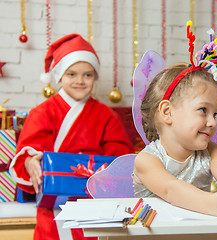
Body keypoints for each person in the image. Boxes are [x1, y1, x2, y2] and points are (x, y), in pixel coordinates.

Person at [9, 33, 134, 240]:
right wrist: (31, 161)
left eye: (88, 75)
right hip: (53, 205)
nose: (80, 81)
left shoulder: (107, 116)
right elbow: (29, 153)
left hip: (95, 203)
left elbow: (120, 157)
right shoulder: (42, 113)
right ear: (59, 76)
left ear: (95, 77)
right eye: (71, 74)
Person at [132, 62, 217, 219]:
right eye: (203, 110)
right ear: (167, 112)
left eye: (215, 113)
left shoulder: (212, 153)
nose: (212, 122)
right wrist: (214, 204)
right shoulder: (146, 160)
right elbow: (171, 190)